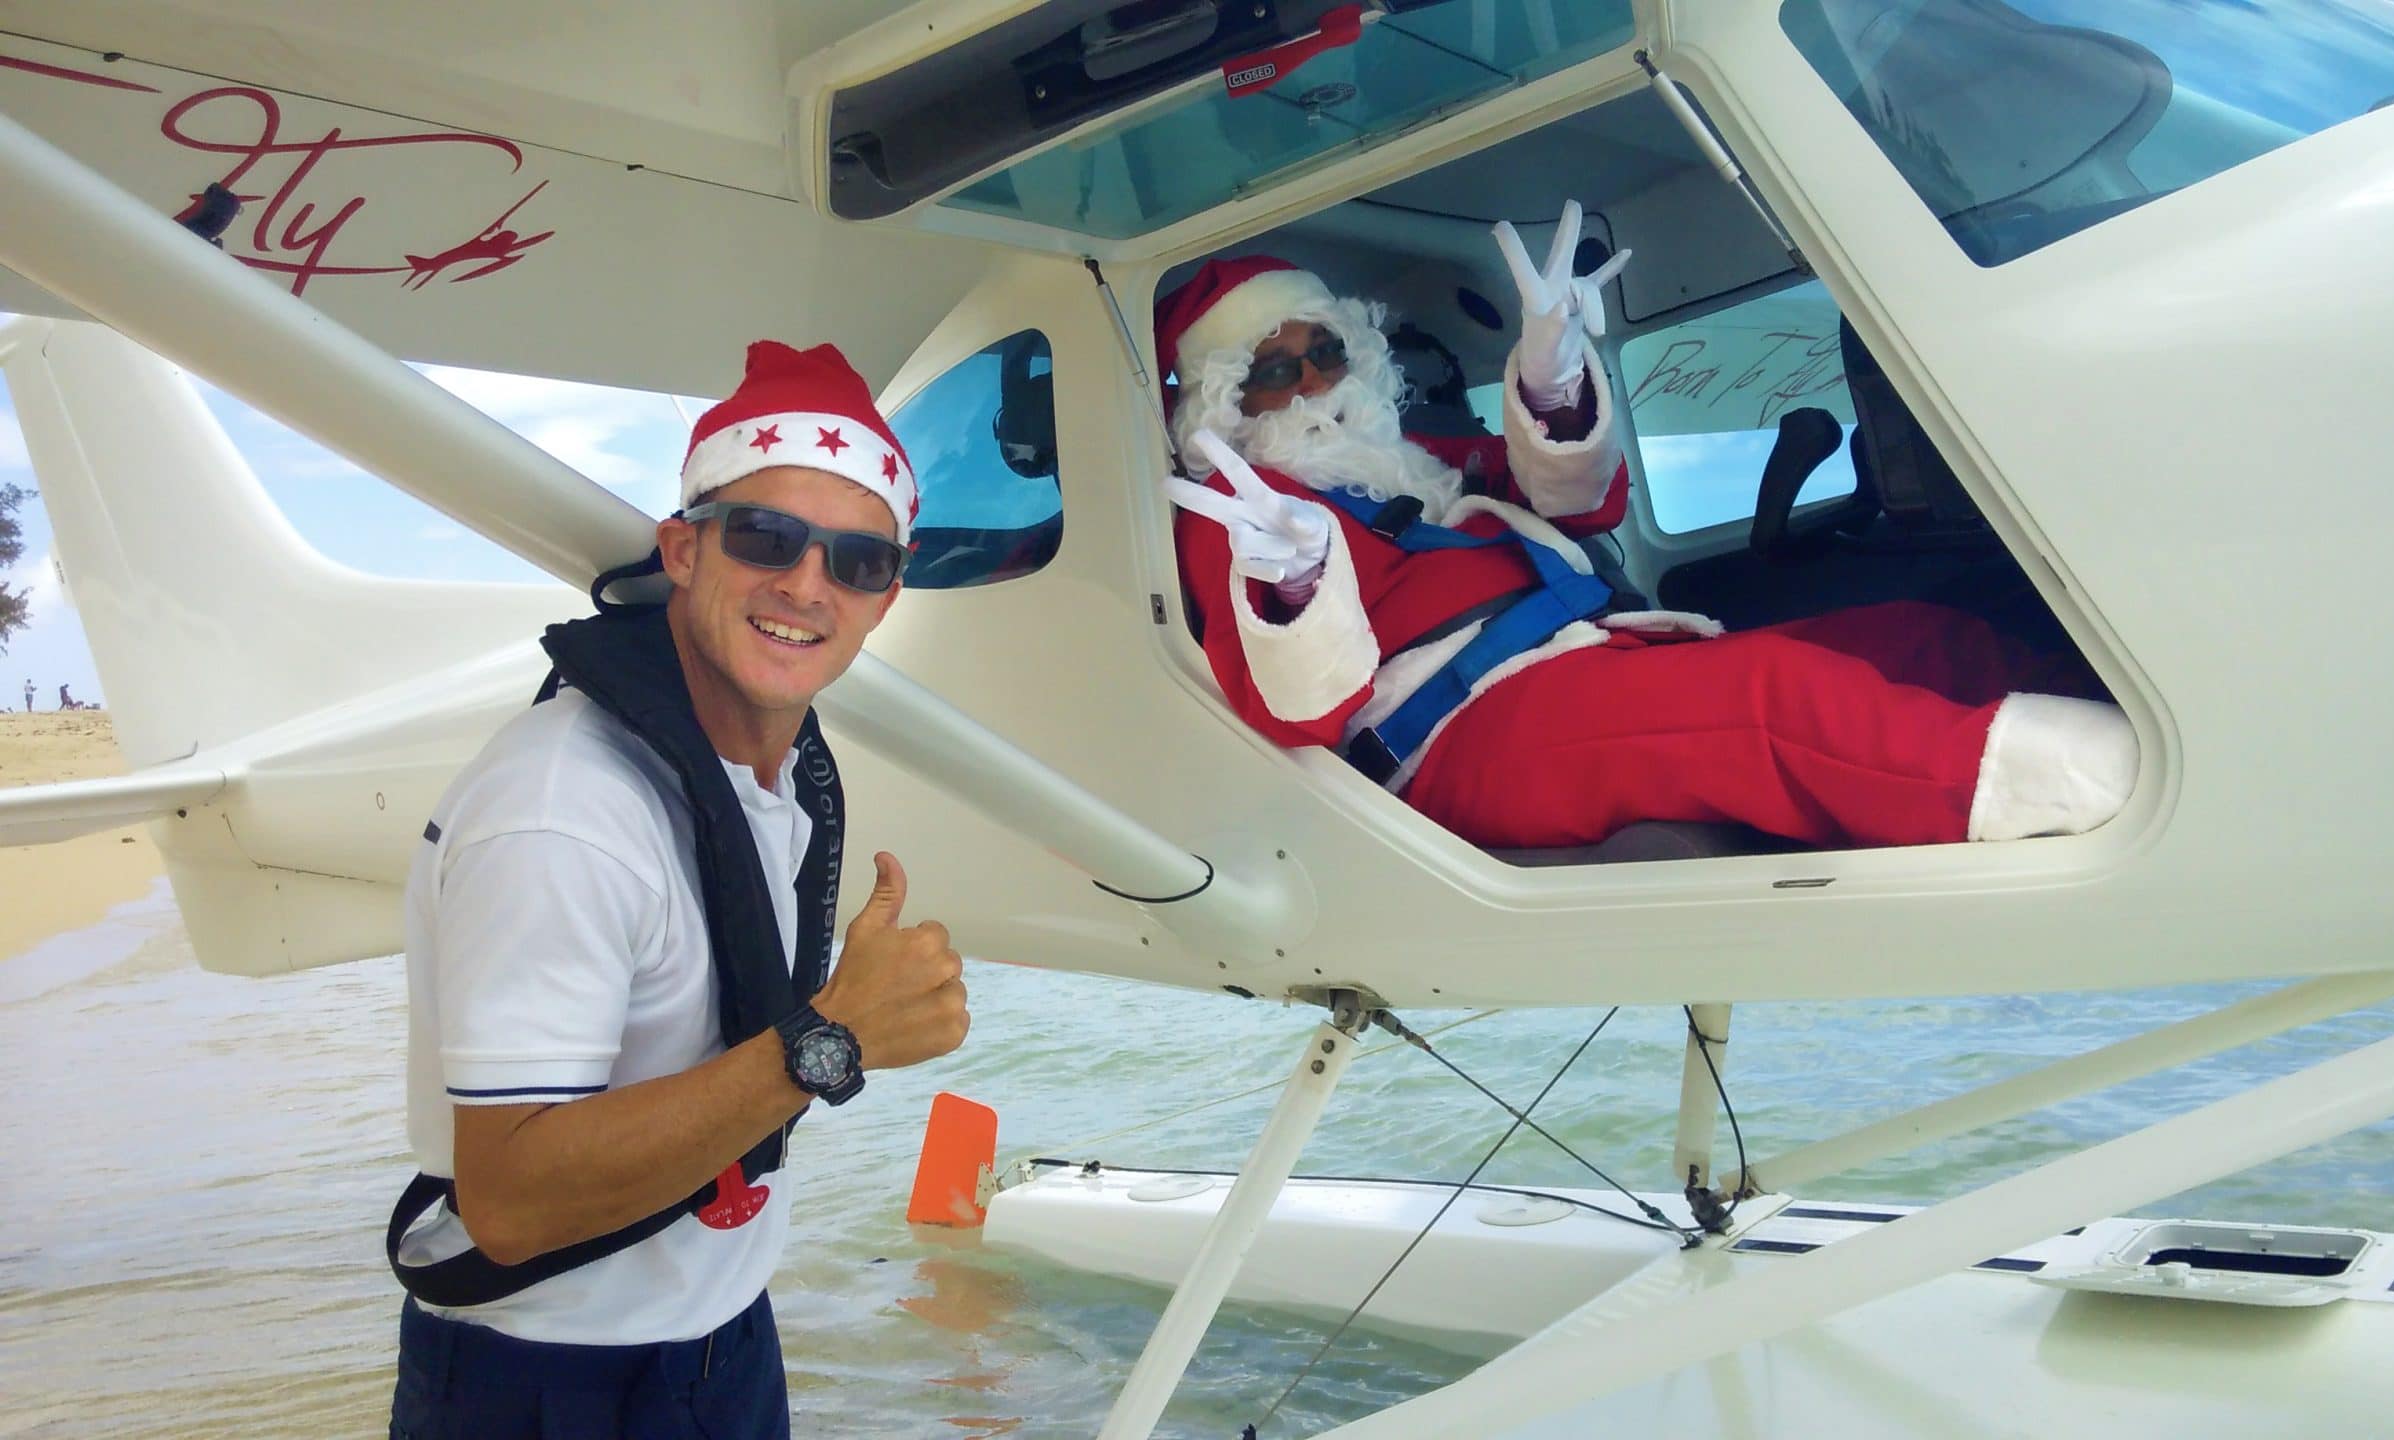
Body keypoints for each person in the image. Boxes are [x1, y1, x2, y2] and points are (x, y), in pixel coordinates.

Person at [384, 341, 971, 1438]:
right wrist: (829, 1037)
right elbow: (507, 1205)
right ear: (683, 550)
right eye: (765, 538)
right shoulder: (566, 811)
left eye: (858, 562)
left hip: (722, 1345)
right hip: (546, 1379)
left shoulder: (769, 771)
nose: (807, 585)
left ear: (887, 598)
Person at [1158, 203, 2136, 851]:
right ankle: (2116, 794)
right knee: (1769, 698)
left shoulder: (1410, 463)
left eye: (1324, 349)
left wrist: (1553, 385)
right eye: (1275, 369)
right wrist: (1291, 589)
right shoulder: (1242, 519)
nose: (1317, 382)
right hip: (1460, 733)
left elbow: (1582, 503)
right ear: (1223, 399)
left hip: (1588, 660)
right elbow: (1298, 715)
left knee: (1921, 635)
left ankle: (2160, 734)